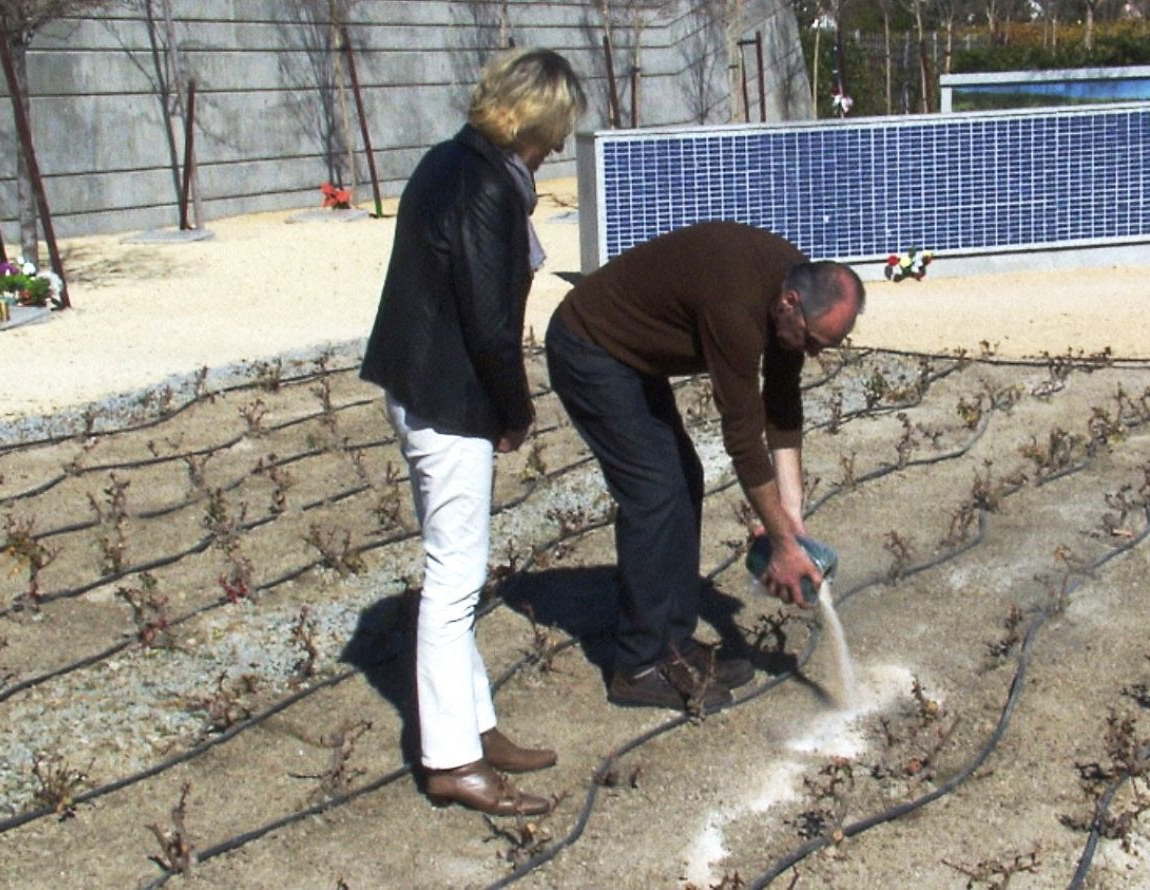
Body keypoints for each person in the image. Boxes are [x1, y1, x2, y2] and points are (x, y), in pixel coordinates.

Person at [360, 48, 586, 816]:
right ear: (530, 119)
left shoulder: (448, 160)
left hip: (417, 382)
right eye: (554, 133)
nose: (555, 149)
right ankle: (452, 761)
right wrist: (514, 412)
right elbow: (491, 323)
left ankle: (477, 727)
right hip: (446, 398)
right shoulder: (489, 186)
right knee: (454, 585)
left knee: (457, 575)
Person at [545, 221, 864, 713]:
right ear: (790, 305)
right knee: (653, 492)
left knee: (682, 480)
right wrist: (780, 545)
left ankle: (672, 643)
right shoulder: (735, 306)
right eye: (815, 341)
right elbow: (743, 438)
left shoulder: (791, 283)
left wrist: (791, 517)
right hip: (591, 349)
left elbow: (781, 404)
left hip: (633, 355)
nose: (817, 354)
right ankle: (638, 664)